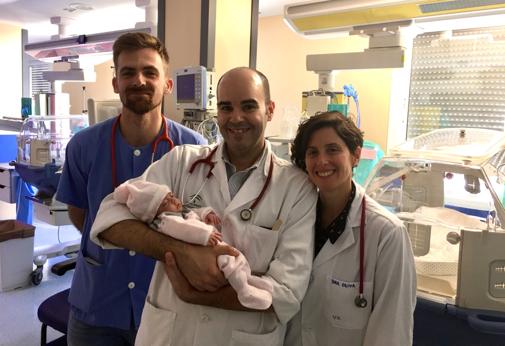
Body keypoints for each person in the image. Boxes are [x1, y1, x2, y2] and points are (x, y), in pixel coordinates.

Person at [89, 67, 317, 345]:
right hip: (171, 332)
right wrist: (181, 252)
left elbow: (287, 293)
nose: (236, 117)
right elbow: (109, 216)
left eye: (248, 106)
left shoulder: (296, 188)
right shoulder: (182, 162)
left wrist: (196, 294)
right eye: (226, 107)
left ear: (269, 110)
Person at [55, 32, 207, 345]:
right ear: (115, 83)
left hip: (165, 305)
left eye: (150, 72)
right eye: (128, 72)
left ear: (167, 83)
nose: (139, 80)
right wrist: (114, 238)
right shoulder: (83, 146)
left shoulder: (193, 149)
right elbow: (80, 214)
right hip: (96, 302)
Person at [285, 111, 416, 346]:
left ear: (355, 155)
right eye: (312, 152)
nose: (322, 161)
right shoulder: (294, 218)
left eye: (332, 150)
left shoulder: (387, 234)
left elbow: (392, 331)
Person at [113, 179, 274, 309]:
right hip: (208, 248)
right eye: (165, 202)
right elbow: (184, 230)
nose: (174, 200)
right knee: (230, 264)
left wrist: (206, 213)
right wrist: (206, 235)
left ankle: (248, 281)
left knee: (237, 261)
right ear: (155, 213)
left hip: (211, 247)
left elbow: (193, 214)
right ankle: (244, 290)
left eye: (171, 195)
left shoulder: (178, 213)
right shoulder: (166, 221)